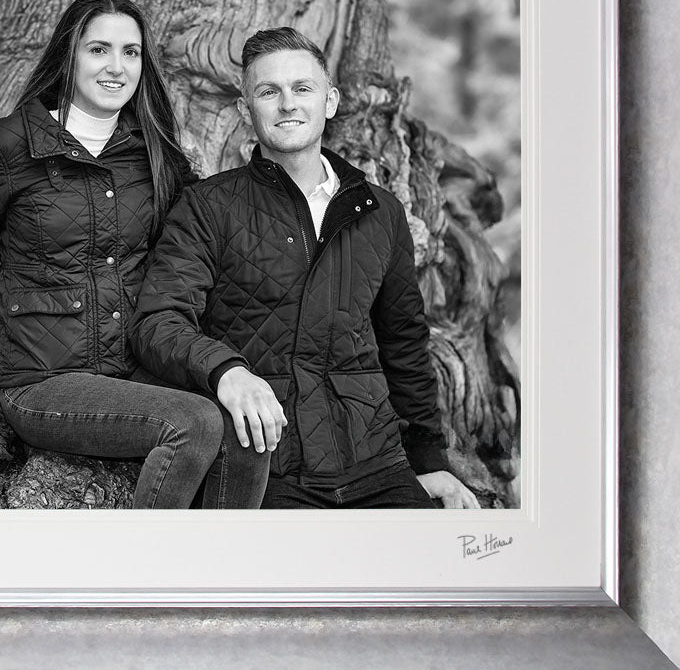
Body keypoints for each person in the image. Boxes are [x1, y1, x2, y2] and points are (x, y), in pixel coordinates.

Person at [0, 0, 228, 510]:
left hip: (136, 369)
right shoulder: (11, 145)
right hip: (43, 380)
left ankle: (222, 578)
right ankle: (146, 581)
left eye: (131, 53)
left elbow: (207, 243)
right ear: (69, 54)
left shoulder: (155, 153)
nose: (116, 67)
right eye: (99, 49)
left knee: (246, 424)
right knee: (194, 423)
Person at [130, 27, 480, 510]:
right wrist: (225, 371)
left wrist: (428, 462)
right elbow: (156, 322)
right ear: (245, 111)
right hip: (268, 465)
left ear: (330, 101)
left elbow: (404, 343)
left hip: (377, 465)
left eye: (302, 88)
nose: (287, 104)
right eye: (268, 91)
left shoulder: (382, 212)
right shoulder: (208, 207)